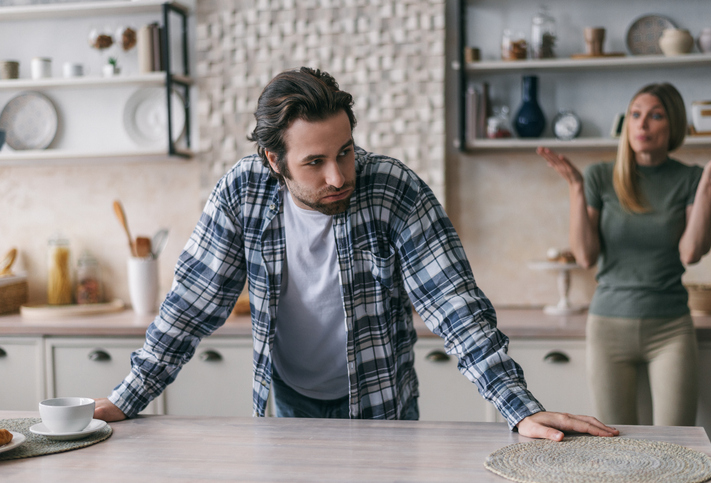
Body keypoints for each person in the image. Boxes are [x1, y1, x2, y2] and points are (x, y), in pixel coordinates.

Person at [95, 67, 617, 441]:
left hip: (384, 405)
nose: (338, 176)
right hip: (288, 403)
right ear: (274, 160)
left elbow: (456, 307)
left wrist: (519, 409)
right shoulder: (241, 193)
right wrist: (127, 396)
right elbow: (191, 305)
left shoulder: (392, 189)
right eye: (315, 162)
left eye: (344, 151)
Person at [537, 82, 711, 426]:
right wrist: (577, 190)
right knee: (613, 444)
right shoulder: (599, 176)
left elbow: (691, 252)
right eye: (635, 115)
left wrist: (709, 187)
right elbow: (585, 256)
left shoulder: (692, 178)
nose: (642, 125)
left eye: (655, 116)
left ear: (674, 125)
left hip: (670, 327)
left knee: (677, 442)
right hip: (608, 327)